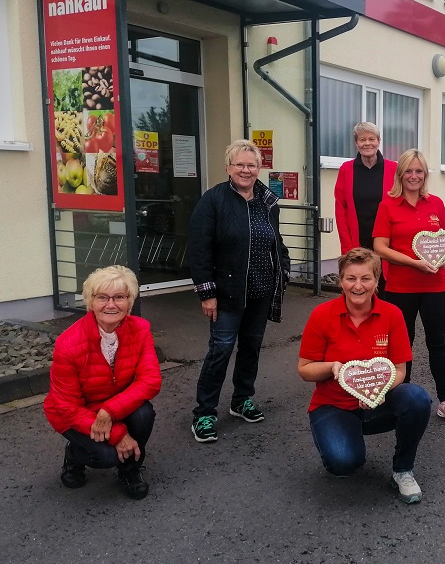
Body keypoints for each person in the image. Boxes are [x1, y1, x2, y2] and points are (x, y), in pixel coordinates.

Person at [298, 248, 431, 503]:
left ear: (377, 281)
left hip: (376, 404)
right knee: (344, 463)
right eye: (350, 278)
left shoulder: (392, 315)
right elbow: (305, 369)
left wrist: (380, 391)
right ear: (340, 281)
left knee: (416, 398)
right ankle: (340, 435)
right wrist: (331, 367)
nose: (358, 286)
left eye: (365, 278)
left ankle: (402, 470)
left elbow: (400, 370)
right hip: (333, 405)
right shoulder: (322, 315)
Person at [188, 139, 290, 443]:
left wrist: (284, 268)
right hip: (228, 292)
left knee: (251, 347)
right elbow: (199, 249)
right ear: (228, 167)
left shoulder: (267, 200)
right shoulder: (213, 200)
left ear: (259, 168)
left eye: (252, 165)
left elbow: (276, 240)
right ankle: (205, 413)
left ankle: (241, 399)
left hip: (261, 289)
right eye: (240, 164)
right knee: (220, 349)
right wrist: (207, 292)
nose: (246, 170)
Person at [43, 265, 162, 500]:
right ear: (90, 302)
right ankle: (74, 455)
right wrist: (119, 434)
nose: (111, 304)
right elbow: (66, 406)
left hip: (114, 405)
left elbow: (151, 380)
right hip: (74, 413)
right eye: (102, 297)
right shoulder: (68, 344)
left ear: (130, 302)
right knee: (105, 457)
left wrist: (109, 411)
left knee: (144, 413)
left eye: (119, 297)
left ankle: (130, 470)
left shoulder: (141, 329)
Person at [373, 149, 445, 426]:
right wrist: (414, 263)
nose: (414, 176)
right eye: (409, 171)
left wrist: (444, 258)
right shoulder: (388, 205)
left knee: (437, 343)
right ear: (400, 174)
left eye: (419, 171)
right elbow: (379, 247)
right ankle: (403, 400)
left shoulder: (435, 203)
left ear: (425, 175)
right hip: (400, 287)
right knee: (402, 345)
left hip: (435, 285)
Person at [334, 122, 397, 292]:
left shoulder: (394, 168)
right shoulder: (346, 170)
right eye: (362, 139)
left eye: (371, 139)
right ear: (356, 143)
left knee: (388, 291)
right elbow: (341, 210)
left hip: (388, 243)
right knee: (361, 289)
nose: (367, 143)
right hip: (358, 242)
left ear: (379, 141)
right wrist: (348, 248)